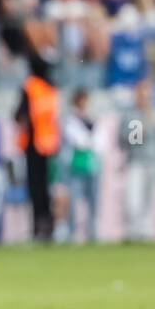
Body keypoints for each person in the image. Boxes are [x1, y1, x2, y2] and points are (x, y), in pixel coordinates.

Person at [14, 57, 60, 241]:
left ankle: (38, 228)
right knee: (48, 189)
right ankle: (49, 227)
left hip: (34, 145)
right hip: (49, 145)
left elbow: (19, 115)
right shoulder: (50, 89)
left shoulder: (31, 87)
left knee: (35, 189)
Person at [119, 79, 155, 241]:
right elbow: (126, 141)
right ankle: (133, 230)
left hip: (153, 161)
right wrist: (139, 134)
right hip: (137, 161)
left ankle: (147, 231)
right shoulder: (131, 115)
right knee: (134, 197)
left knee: (150, 198)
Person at [63, 88, 104, 243]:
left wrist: (90, 142)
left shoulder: (93, 119)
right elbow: (78, 141)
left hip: (93, 165)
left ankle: (93, 232)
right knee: (74, 201)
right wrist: (90, 141)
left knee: (94, 201)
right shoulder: (71, 119)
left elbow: (101, 142)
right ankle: (73, 232)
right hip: (76, 165)